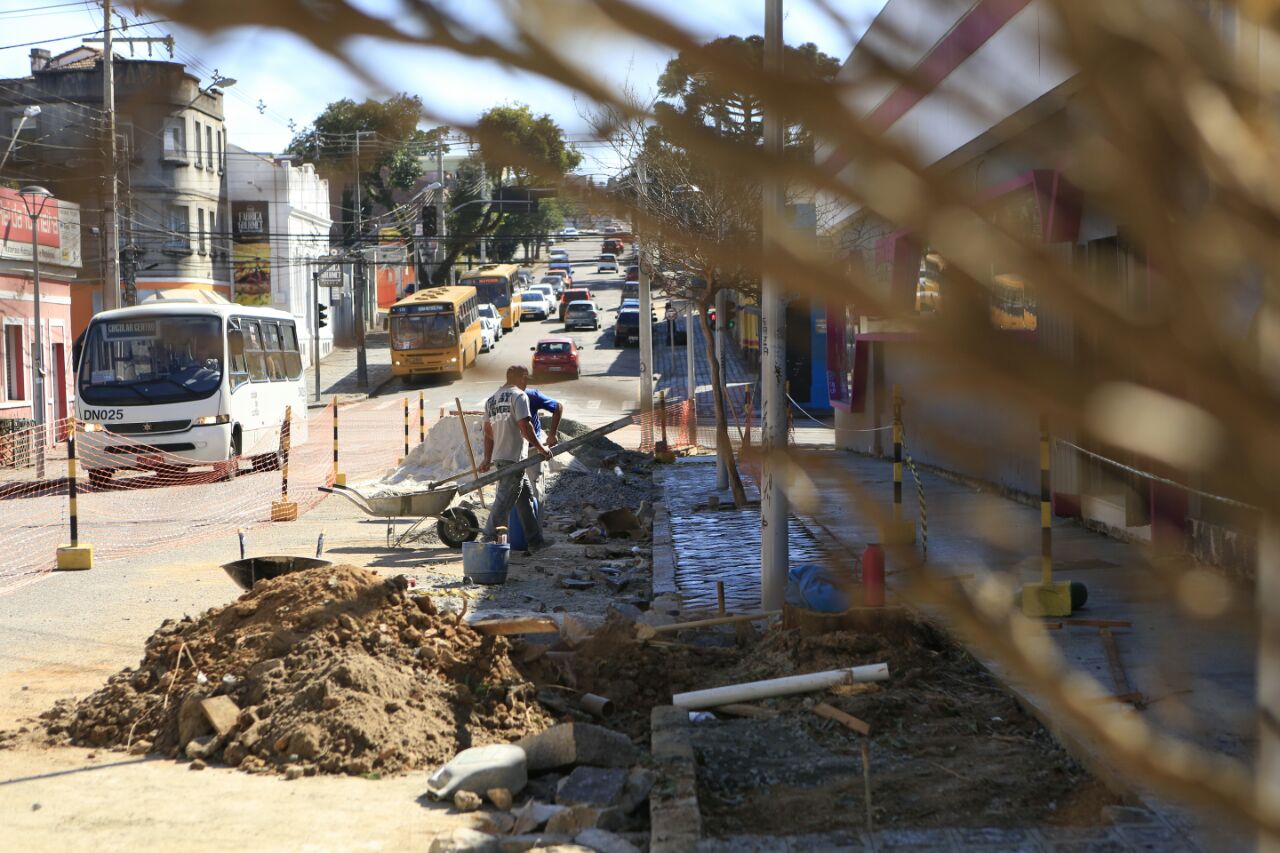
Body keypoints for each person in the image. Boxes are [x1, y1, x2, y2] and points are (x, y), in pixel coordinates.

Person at [479, 365, 552, 551]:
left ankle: (535, 542)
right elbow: (525, 426)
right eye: (526, 379)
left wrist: (487, 459)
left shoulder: (491, 400)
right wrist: (541, 448)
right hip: (514, 457)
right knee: (504, 499)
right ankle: (487, 538)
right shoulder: (519, 396)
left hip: (500, 457)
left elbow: (488, 433)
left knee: (525, 499)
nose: (527, 383)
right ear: (521, 378)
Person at [511, 371, 564, 509]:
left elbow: (558, 407)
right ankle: (518, 525)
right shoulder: (505, 398)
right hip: (513, 451)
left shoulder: (531, 395)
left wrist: (552, 435)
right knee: (513, 490)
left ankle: (536, 524)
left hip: (533, 449)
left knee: (535, 486)